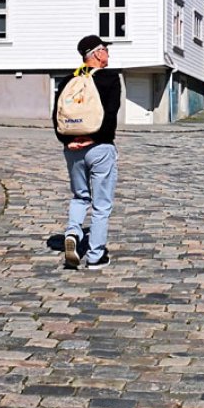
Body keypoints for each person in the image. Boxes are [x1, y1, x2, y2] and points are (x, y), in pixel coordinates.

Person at [53, 35, 122, 270]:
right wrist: (92, 138)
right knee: (101, 204)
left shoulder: (67, 82)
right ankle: (95, 256)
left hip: (72, 150)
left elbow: (57, 116)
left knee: (80, 196)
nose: (108, 55)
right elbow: (110, 115)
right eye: (106, 51)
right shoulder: (110, 79)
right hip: (100, 148)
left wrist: (68, 140)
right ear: (97, 53)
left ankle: (73, 232)